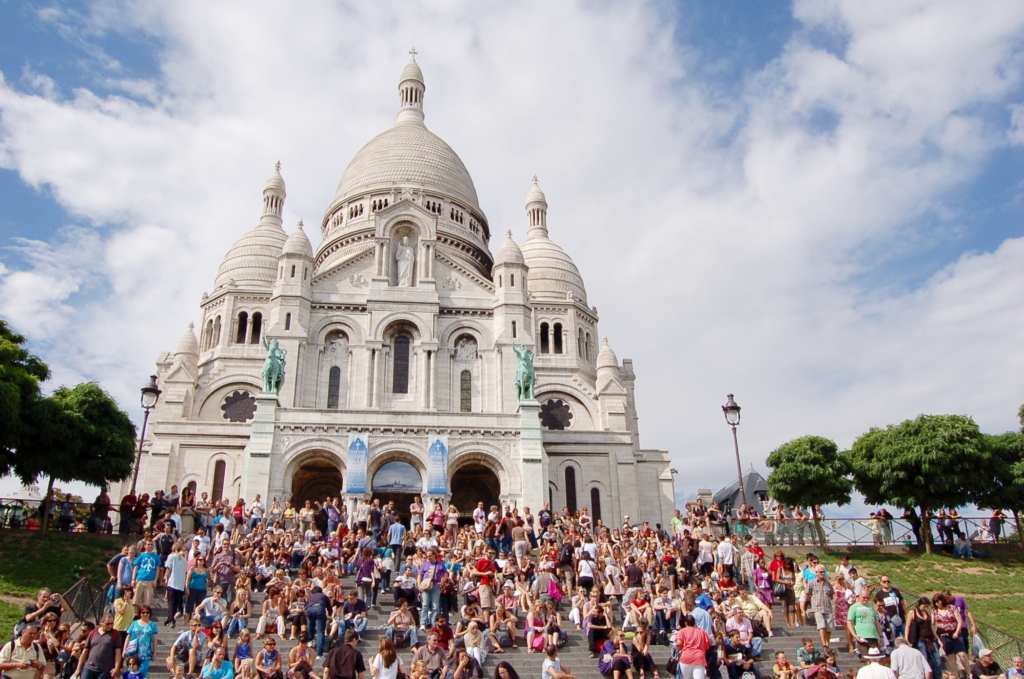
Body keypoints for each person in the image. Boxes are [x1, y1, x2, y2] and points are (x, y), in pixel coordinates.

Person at [807, 565, 835, 649]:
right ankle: (824, 644)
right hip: (817, 607)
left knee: (829, 628)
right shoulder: (812, 582)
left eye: (823, 572)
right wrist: (812, 602)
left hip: (827, 607)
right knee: (821, 626)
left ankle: (827, 643)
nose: (822, 573)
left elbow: (832, 594)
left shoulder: (828, 583)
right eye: (820, 572)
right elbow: (807, 593)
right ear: (816, 572)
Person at [125, 606, 159, 677]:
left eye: (147, 612)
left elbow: (154, 640)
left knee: (142, 671)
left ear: (150, 614)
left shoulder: (152, 625)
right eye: (143, 612)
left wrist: (155, 652)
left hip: (146, 652)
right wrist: (124, 650)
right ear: (140, 613)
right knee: (131, 672)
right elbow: (128, 637)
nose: (145, 614)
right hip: (134, 652)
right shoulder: (134, 623)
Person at [847, 590, 882, 656]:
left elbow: (876, 622)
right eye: (864, 597)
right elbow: (849, 622)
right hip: (862, 637)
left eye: (868, 598)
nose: (866, 599)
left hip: (873, 636)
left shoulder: (871, 607)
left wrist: (881, 636)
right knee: (865, 658)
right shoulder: (854, 607)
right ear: (859, 596)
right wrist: (854, 635)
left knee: (876, 657)